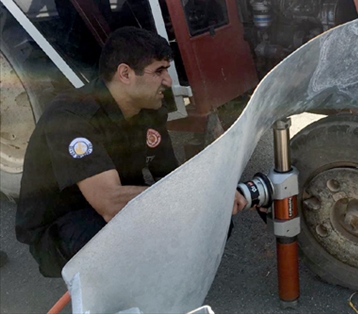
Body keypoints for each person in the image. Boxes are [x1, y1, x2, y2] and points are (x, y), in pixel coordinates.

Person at [15, 27, 247, 277]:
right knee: (116, 238)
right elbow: (110, 202)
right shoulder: (71, 116)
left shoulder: (148, 111)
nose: (168, 81)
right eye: (159, 71)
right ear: (125, 73)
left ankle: (168, 283)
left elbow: (170, 177)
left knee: (214, 217)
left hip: (119, 211)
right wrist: (196, 196)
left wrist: (215, 192)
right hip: (64, 226)